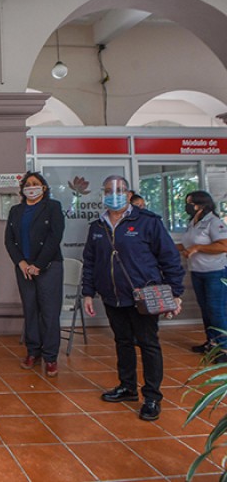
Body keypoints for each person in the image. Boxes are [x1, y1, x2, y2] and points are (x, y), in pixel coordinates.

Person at [82, 175, 184, 422]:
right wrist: (88, 292)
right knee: (122, 342)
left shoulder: (148, 222)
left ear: (128, 194)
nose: (112, 194)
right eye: (107, 190)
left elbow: (169, 258)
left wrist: (176, 292)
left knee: (148, 344)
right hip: (112, 296)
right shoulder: (97, 226)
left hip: (143, 297)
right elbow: (90, 262)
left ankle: (151, 397)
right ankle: (127, 387)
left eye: (118, 190)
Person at [4, 171, 65, 377]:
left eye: (35, 184)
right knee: (30, 310)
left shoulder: (52, 207)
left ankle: (50, 357)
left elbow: (55, 237)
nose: (31, 187)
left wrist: (38, 265)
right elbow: (9, 240)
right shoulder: (16, 210)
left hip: (48, 267)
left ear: (44, 188)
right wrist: (21, 263)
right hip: (24, 268)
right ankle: (33, 352)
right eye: (27, 184)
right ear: (22, 189)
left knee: (49, 312)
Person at [179, 191, 227, 357]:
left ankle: (223, 348)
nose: (187, 207)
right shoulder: (193, 222)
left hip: (215, 272)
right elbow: (187, 245)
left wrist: (198, 248)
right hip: (197, 271)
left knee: (216, 310)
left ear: (201, 204)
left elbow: (223, 246)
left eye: (190, 203)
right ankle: (211, 342)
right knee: (206, 310)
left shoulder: (214, 222)